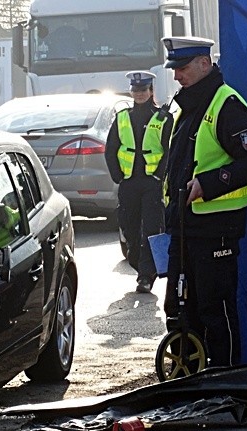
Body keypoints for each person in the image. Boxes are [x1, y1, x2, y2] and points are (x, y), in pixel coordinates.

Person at [160, 36, 247, 367]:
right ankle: (185, 378)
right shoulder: (187, 106)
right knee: (178, 308)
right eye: (174, 69)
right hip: (184, 226)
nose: (177, 75)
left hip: (216, 228)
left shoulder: (227, 105)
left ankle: (225, 379)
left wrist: (207, 185)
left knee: (214, 307)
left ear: (204, 64)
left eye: (182, 68)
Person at [105, 70, 173, 293]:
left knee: (151, 230)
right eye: (136, 90)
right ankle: (140, 266)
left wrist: (159, 176)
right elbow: (111, 148)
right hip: (129, 182)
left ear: (151, 91)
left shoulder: (163, 117)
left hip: (152, 183)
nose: (139, 94)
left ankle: (146, 276)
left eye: (143, 90)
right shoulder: (123, 116)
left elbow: (169, 151)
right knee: (130, 229)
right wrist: (118, 176)